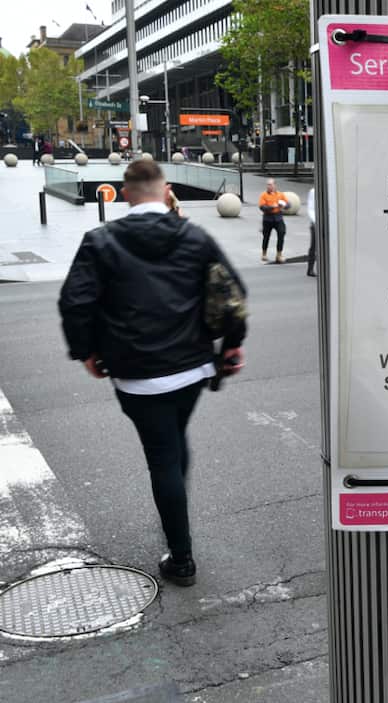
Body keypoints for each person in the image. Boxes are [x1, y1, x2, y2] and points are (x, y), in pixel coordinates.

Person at [58, 160, 247, 587]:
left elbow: (75, 303)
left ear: (125, 193)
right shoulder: (195, 238)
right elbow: (231, 294)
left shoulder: (100, 242)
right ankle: (174, 510)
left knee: (163, 455)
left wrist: (85, 352)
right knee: (175, 441)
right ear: (165, 193)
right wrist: (232, 343)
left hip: (137, 375)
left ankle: (181, 558)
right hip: (193, 368)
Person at [258, 179, 288, 263]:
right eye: (268, 185)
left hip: (278, 218)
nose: (269, 186)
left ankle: (279, 254)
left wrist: (284, 205)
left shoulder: (280, 194)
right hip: (268, 218)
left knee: (281, 233)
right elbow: (262, 207)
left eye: (271, 184)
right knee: (266, 236)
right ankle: (264, 254)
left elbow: (288, 204)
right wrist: (272, 206)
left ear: (275, 185)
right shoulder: (263, 195)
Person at [306, 187, 317, 277]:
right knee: (313, 247)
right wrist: (315, 221)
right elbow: (310, 209)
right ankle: (310, 269)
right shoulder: (313, 191)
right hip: (315, 224)